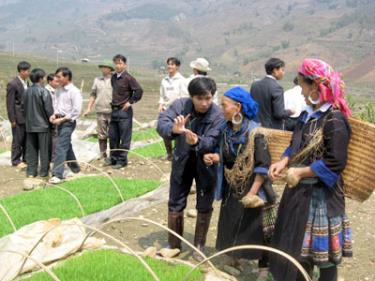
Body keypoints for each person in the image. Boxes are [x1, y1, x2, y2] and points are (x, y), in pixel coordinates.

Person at [269, 58, 353, 281]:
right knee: (299, 251)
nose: (301, 91)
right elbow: (295, 145)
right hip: (298, 194)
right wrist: (284, 161)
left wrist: (300, 172)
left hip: (321, 197)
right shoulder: (306, 116)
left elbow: (335, 162)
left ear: (315, 86)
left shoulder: (334, 119)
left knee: (324, 258)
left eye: (302, 85)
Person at [204, 87, 276, 280]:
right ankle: (234, 259)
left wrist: (252, 194)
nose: (221, 109)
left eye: (224, 105)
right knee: (231, 223)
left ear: (237, 107)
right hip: (232, 187)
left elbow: (262, 166)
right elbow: (231, 157)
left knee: (257, 228)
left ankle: (263, 267)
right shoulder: (227, 130)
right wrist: (216, 157)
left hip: (254, 187)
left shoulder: (255, 133)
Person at [157, 77, 224, 259]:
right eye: (199, 99)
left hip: (206, 163)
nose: (204, 103)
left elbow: (213, 139)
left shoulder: (217, 115)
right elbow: (161, 123)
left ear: (212, 97)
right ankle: (174, 244)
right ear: (191, 97)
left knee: (204, 204)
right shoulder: (180, 106)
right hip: (183, 160)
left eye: (208, 98)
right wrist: (174, 129)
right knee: (176, 201)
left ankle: (199, 247)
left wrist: (197, 142)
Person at [106, 54, 143, 169]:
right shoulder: (113, 77)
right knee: (113, 136)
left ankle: (122, 161)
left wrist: (130, 102)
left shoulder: (128, 78)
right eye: (116, 63)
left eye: (120, 63)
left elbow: (139, 91)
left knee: (124, 137)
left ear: (125, 65)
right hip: (114, 110)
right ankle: (113, 158)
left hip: (124, 111)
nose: (118, 65)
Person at [49, 67, 83, 184]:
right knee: (66, 145)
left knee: (60, 146)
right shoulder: (59, 91)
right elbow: (57, 106)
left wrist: (62, 119)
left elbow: (76, 111)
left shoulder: (74, 92)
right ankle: (75, 168)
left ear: (67, 77)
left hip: (68, 122)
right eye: (56, 76)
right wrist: (54, 115)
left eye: (59, 77)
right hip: (59, 120)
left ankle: (58, 174)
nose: (57, 79)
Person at [23, 68, 54, 179]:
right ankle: (43, 172)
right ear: (40, 78)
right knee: (44, 150)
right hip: (43, 126)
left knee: (31, 150)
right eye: (44, 77)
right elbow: (49, 110)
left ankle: (31, 172)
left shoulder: (26, 91)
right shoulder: (44, 91)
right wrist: (52, 123)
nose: (45, 79)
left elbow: (23, 108)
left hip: (30, 126)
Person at [250, 58, 293, 129]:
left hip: (255, 127)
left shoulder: (255, 85)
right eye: (282, 70)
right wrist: (290, 112)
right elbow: (279, 114)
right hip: (270, 131)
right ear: (275, 70)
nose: (283, 73)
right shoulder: (277, 88)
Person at [158, 57, 188, 161]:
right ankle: (169, 153)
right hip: (166, 109)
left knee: (177, 132)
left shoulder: (182, 80)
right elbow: (162, 95)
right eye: (168, 64)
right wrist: (160, 105)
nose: (170, 66)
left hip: (177, 110)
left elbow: (184, 96)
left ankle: (177, 153)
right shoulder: (164, 80)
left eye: (172, 64)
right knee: (165, 131)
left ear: (177, 67)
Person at [83, 61, 114, 159]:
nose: (103, 69)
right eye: (101, 67)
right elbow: (93, 94)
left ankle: (113, 155)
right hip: (100, 111)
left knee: (113, 134)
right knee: (101, 134)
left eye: (105, 67)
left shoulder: (115, 80)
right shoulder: (97, 80)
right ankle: (103, 154)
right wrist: (88, 108)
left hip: (112, 111)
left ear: (110, 69)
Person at [6, 61, 31, 168]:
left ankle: (25, 159)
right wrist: (12, 120)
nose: (29, 73)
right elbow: (9, 103)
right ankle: (15, 160)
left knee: (26, 139)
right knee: (17, 139)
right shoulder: (13, 84)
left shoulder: (27, 83)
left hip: (27, 117)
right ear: (21, 71)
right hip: (17, 117)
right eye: (27, 71)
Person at [45, 73, 60, 162]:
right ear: (50, 81)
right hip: (48, 118)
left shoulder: (56, 91)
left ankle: (53, 156)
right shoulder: (45, 91)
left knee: (55, 137)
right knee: (52, 138)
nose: (58, 83)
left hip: (55, 117)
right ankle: (52, 158)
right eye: (56, 81)